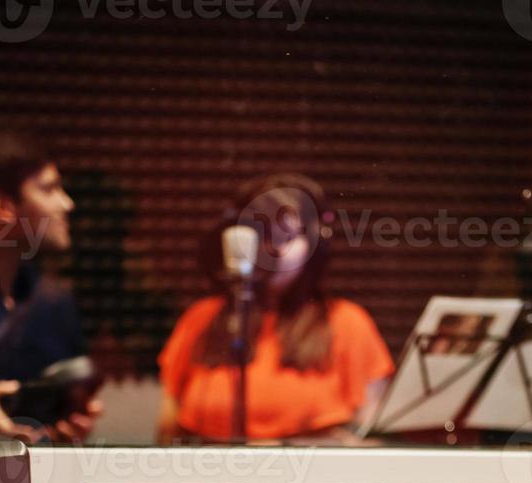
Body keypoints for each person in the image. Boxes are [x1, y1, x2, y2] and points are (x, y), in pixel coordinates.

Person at [157, 175, 394, 444]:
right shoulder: (200, 319)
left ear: (315, 245)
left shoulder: (348, 323)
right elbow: (168, 430)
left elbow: (371, 439)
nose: (273, 248)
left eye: (287, 236)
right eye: (262, 234)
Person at [0, 129, 103, 444]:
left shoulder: (53, 300)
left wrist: (67, 424)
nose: (67, 203)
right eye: (49, 189)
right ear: (3, 204)